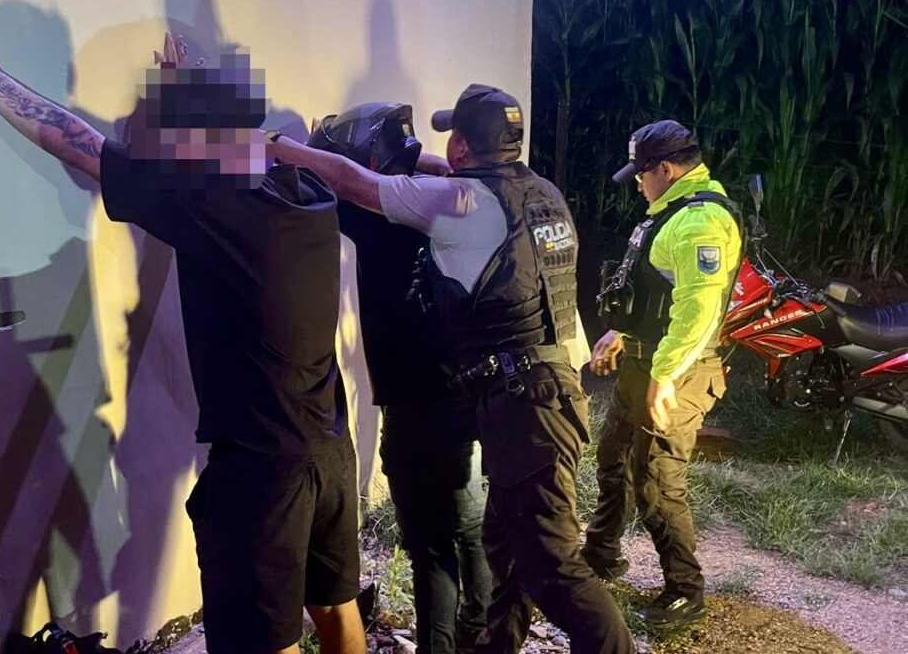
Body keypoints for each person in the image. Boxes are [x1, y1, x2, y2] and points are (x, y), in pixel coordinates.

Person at [0, 0, 365, 654]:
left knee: (267, 640)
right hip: (329, 453)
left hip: (262, 476)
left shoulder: (208, 199)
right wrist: (190, 91)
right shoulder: (302, 189)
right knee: (338, 612)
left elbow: (74, 141)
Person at [268, 84, 636, 654]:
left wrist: (281, 146)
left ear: (463, 145)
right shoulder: (540, 192)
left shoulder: (462, 203)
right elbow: (441, 174)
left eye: (453, 138)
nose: (444, 149)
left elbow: (357, 185)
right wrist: (403, 157)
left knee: (554, 568)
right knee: (503, 545)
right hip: (540, 392)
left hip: (526, 403)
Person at [307, 103, 493, 654]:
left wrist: (303, 147)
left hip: (416, 406)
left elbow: (335, 182)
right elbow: (426, 168)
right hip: (464, 392)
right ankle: (482, 629)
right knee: (469, 525)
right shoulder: (458, 200)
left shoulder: (376, 213)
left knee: (430, 545)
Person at [584, 120, 742, 630]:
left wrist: (667, 374)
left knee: (655, 477)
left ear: (667, 169)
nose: (637, 182)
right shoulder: (672, 212)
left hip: (681, 369)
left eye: (641, 173)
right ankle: (601, 554)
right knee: (613, 455)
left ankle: (685, 591)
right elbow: (657, 295)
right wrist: (621, 334)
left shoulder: (701, 222)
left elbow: (698, 310)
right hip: (645, 360)